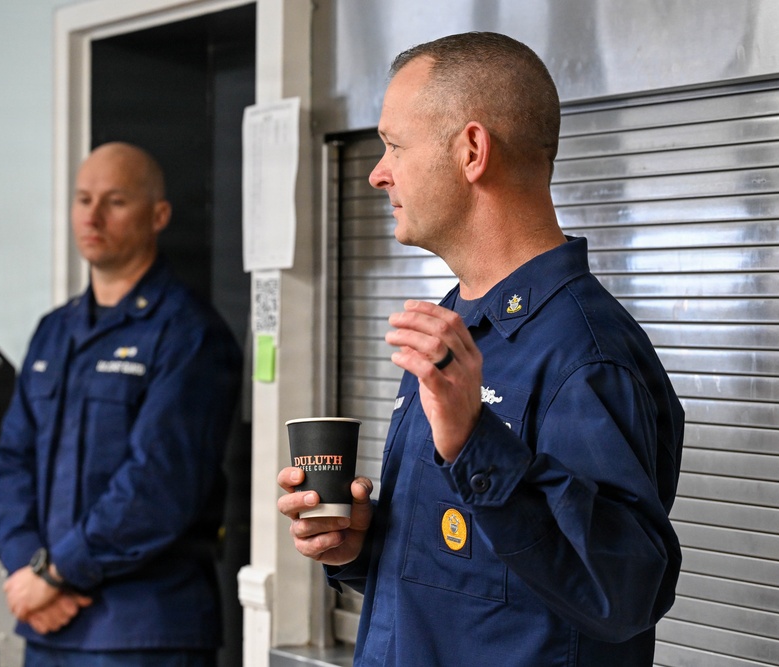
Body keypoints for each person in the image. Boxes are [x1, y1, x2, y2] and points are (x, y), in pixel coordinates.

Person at [277, 32, 684, 666]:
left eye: (393, 145)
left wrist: (476, 443)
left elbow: (624, 595)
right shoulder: (453, 327)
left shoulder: (588, 355)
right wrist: (360, 544)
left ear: (472, 151)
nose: (376, 172)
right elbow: (479, 571)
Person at [0, 142, 242, 666]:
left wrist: (55, 574)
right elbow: (11, 463)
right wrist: (27, 569)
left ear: (159, 215)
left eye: (115, 201)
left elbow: (158, 484)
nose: (93, 215)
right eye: (83, 199)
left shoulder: (189, 335)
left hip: (144, 633)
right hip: (48, 628)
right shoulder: (54, 331)